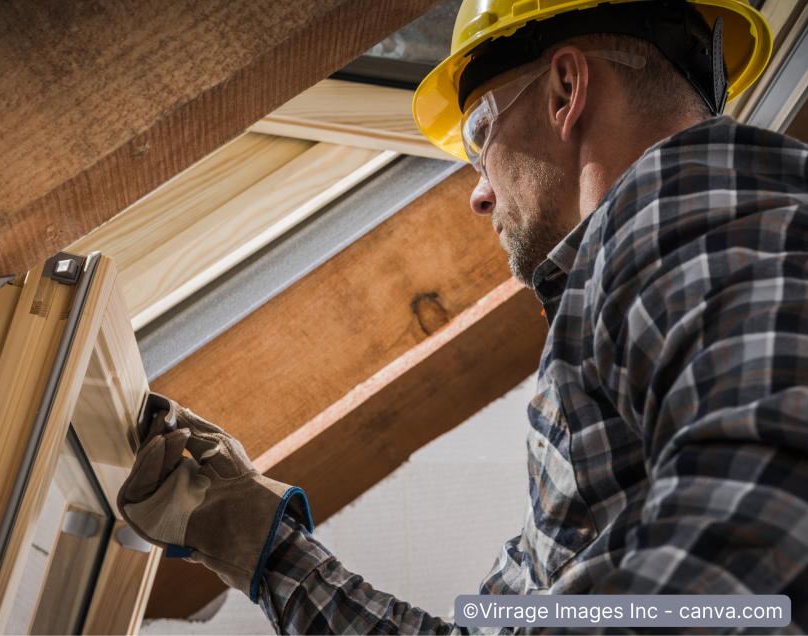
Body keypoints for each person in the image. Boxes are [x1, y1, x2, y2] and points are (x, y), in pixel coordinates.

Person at [118, 0, 808, 632]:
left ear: (566, 92)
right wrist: (265, 548)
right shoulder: (632, 284)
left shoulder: (678, 215)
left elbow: (760, 546)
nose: (478, 194)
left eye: (480, 131)